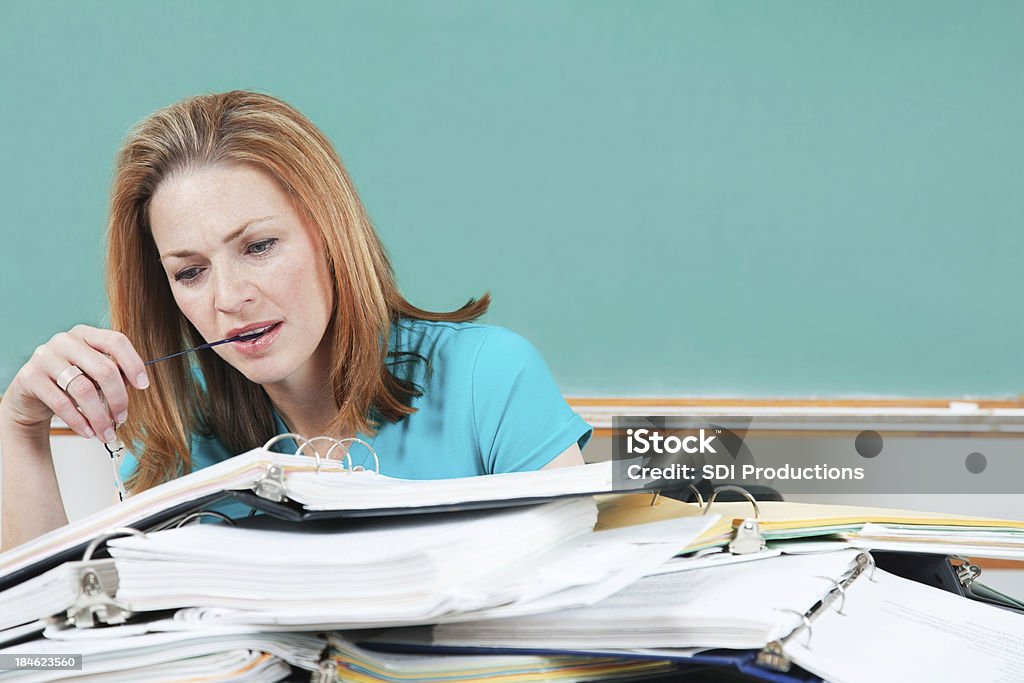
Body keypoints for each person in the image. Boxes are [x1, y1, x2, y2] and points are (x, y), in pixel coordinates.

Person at [0, 91, 591, 551]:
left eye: (258, 246)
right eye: (190, 272)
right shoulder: (180, 431)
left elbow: (586, 614)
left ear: (330, 233)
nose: (228, 299)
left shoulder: (489, 377)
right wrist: (19, 428)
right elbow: (46, 651)